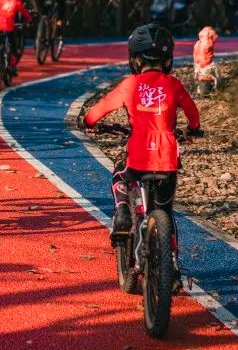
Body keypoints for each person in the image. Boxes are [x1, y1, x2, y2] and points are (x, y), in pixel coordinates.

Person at [78, 23, 203, 242]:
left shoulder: (129, 84)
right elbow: (193, 114)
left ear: (135, 60)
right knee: (165, 209)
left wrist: (88, 122)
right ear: (168, 60)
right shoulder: (174, 84)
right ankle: (171, 261)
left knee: (120, 175)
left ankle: (124, 209)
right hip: (167, 157)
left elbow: (99, 110)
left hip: (138, 153)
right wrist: (193, 130)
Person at [193, 26, 219, 95]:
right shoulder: (206, 43)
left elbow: (196, 58)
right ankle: (209, 88)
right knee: (212, 75)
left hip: (201, 66)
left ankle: (204, 87)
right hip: (204, 66)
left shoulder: (198, 44)